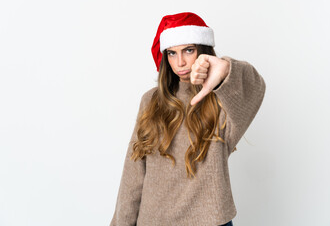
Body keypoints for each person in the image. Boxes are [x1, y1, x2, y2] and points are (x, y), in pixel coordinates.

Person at [110, 12, 266, 226]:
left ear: (203, 51)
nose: (180, 62)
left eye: (188, 50)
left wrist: (225, 68)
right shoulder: (151, 101)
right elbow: (133, 176)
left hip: (211, 221)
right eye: (172, 53)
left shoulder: (222, 99)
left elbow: (255, 87)